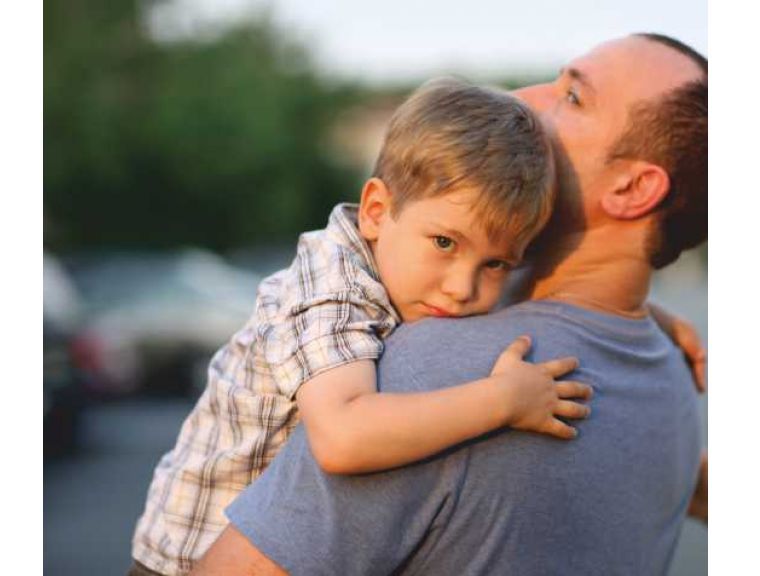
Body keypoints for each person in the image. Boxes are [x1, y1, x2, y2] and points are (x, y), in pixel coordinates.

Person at [191, 32, 708, 575]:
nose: (521, 99)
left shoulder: (439, 372)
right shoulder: (671, 376)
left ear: (633, 189)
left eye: (572, 98)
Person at [131, 78, 602, 576]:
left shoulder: (416, 273)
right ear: (377, 211)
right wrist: (503, 401)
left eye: (497, 265)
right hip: (188, 561)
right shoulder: (329, 284)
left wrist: (655, 318)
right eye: (444, 243)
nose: (463, 288)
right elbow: (343, 437)